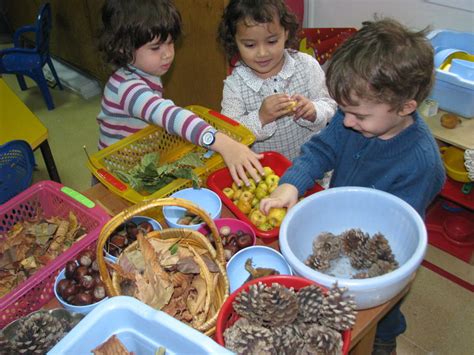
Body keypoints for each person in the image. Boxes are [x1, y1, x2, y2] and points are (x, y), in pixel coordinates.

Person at [260, 18, 445, 355]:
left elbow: (393, 236)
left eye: (358, 116)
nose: (346, 122)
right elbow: (321, 149)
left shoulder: (421, 163)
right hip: (339, 227)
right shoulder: (352, 121)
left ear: (406, 107)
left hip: (382, 251)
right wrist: (291, 185)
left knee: (377, 317)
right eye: (344, 111)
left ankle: (385, 341)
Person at [97, 0, 263, 186]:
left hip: (137, 167)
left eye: (170, 43)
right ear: (123, 47)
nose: (168, 53)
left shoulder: (145, 72)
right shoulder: (126, 88)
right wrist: (224, 143)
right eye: (156, 47)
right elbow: (170, 115)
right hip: (113, 178)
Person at [218, 0, 337, 162]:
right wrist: (261, 117)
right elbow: (229, 133)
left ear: (286, 33)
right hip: (265, 170)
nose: (262, 53)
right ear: (235, 41)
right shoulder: (235, 85)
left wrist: (313, 110)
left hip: (312, 161)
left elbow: (330, 105)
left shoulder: (306, 65)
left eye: (272, 41)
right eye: (250, 45)